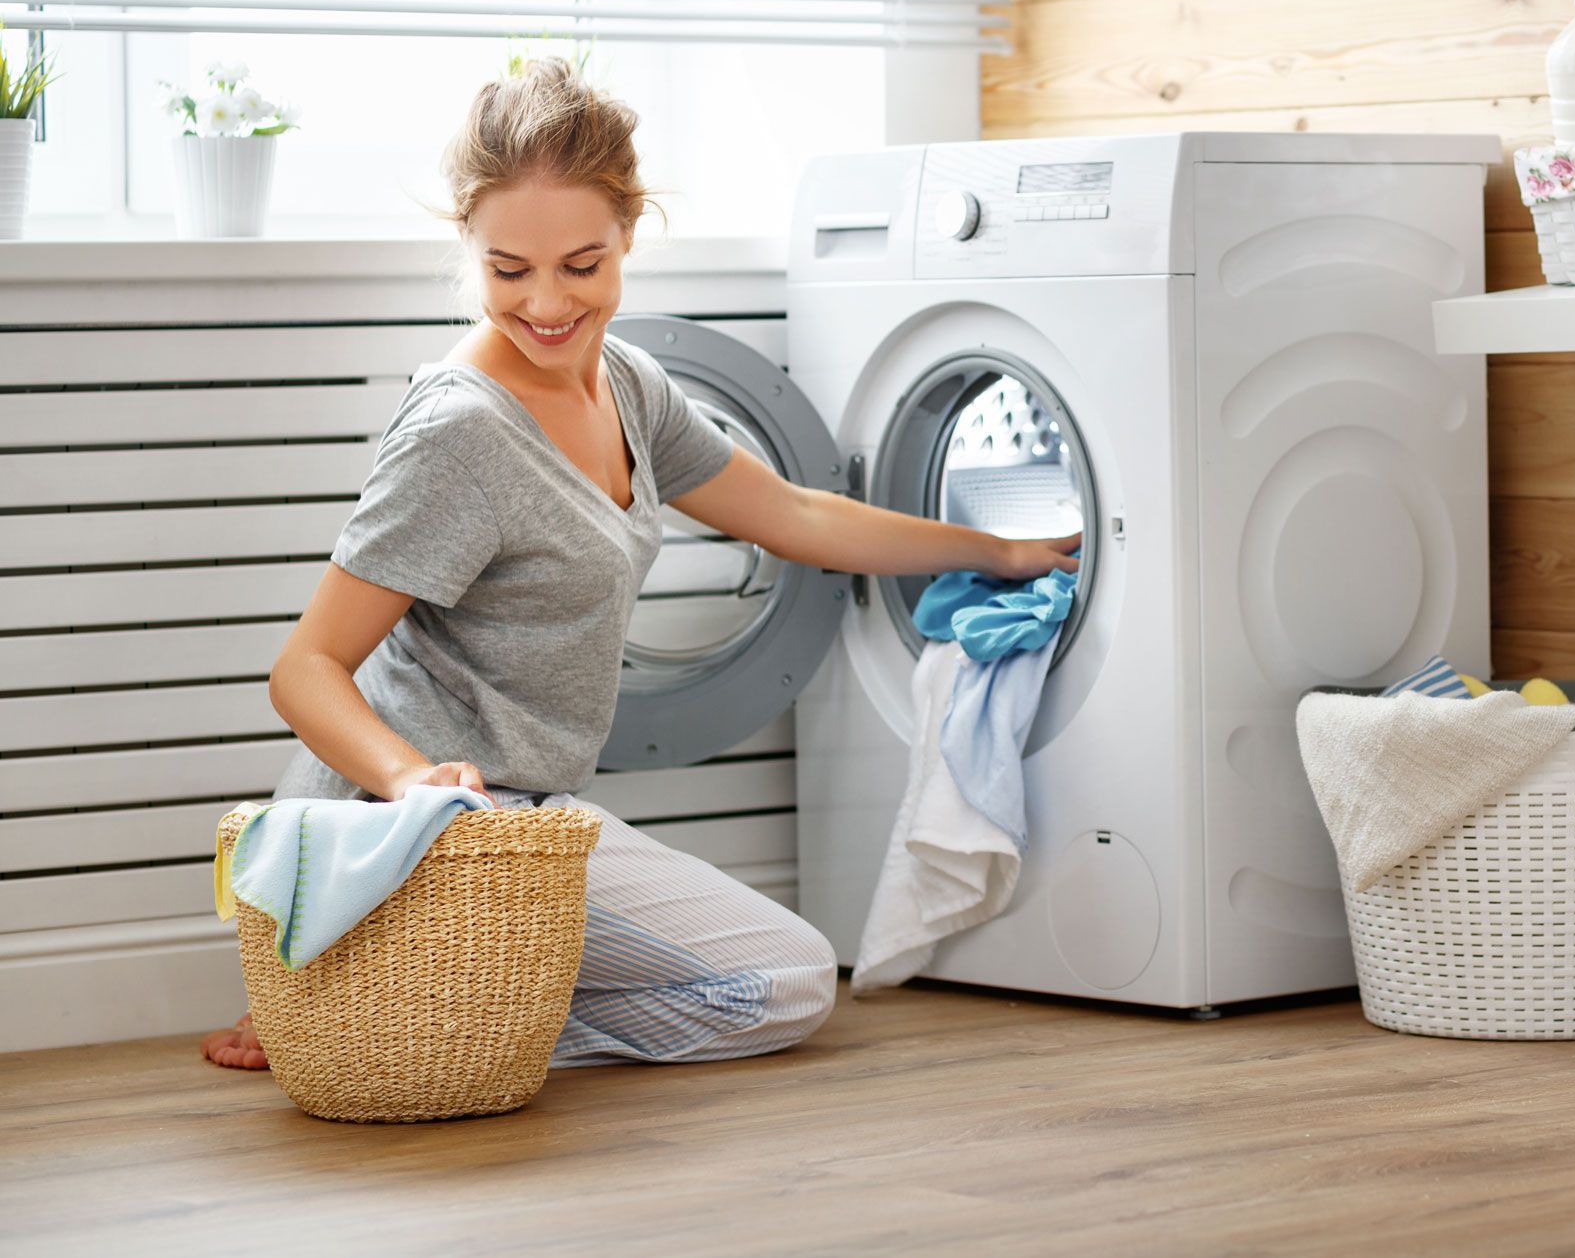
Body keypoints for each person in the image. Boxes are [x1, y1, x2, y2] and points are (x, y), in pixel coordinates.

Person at [201, 57, 1078, 1072]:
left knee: (777, 976)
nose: (543, 303)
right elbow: (303, 668)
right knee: (785, 983)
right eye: (506, 268)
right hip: (414, 826)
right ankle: (385, 1017)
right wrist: (410, 779)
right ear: (469, 249)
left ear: (629, 232)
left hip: (529, 822)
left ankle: (397, 1020)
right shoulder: (460, 431)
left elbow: (791, 512)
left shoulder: (626, 382)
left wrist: (1000, 548)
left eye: (581, 264)